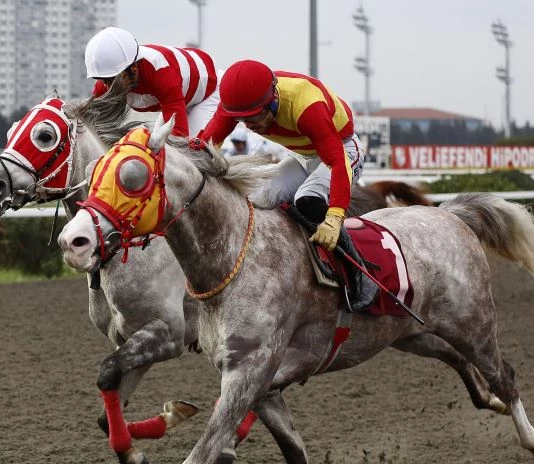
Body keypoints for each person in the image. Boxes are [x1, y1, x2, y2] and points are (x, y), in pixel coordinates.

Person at [191, 59, 375, 309]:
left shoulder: (307, 106)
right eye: (241, 120)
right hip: (303, 157)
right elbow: (204, 147)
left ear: (273, 100)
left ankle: (360, 273)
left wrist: (334, 217)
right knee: (255, 199)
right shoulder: (237, 103)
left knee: (308, 199)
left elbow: (337, 163)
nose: (248, 126)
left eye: (253, 117)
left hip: (343, 153)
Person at [84, 26, 220, 138]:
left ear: (134, 68)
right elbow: (90, 126)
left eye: (114, 79)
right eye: (105, 80)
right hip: (181, 95)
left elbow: (180, 138)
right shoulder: (106, 82)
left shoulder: (162, 75)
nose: (109, 87)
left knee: (193, 150)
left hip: (210, 93)